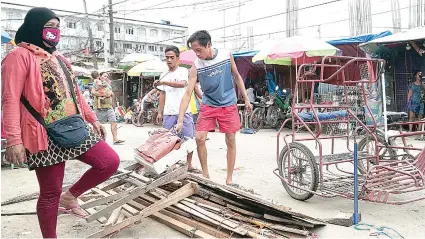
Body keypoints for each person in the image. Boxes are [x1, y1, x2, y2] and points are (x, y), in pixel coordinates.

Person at [1, 8, 120, 238]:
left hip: (74, 126)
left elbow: (73, 93)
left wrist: (92, 118)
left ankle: (72, 195)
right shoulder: (18, 56)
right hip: (42, 133)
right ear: (35, 27)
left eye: (56, 26)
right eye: (49, 26)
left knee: (109, 161)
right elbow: (9, 99)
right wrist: (14, 139)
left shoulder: (59, 58)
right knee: (50, 193)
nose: (53, 31)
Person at [175, 30, 253, 186]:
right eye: (194, 51)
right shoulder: (196, 66)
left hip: (228, 103)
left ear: (208, 44)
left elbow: (237, 76)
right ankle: (205, 174)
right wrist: (180, 119)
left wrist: (246, 98)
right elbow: (187, 93)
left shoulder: (225, 55)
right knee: (199, 138)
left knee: (230, 139)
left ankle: (229, 179)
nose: (197, 54)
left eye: (199, 49)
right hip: (208, 103)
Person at [153, 46, 201, 173]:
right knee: (168, 141)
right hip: (169, 112)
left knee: (189, 140)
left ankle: (189, 164)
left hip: (184, 112)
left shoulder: (183, 71)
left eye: (172, 57)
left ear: (178, 58)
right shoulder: (163, 74)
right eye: (167, 58)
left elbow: (183, 84)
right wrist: (159, 111)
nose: (169, 60)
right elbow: (162, 94)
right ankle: (171, 165)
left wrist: (164, 82)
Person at [91, 71, 125, 144]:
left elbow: (111, 93)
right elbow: (93, 92)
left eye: (107, 76)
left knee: (114, 122)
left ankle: (115, 139)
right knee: (97, 124)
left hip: (109, 107)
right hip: (99, 108)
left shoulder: (107, 85)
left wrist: (111, 97)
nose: (105, 77)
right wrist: (103, 95)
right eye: (104, 76)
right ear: (100, 76)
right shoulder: (97, 83)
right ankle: (96, 140)